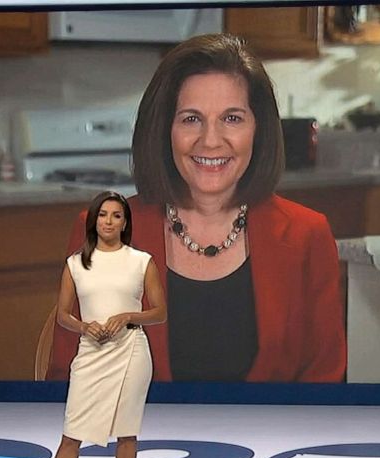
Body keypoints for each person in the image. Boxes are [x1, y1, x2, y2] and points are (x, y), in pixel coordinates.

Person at [47, 33, 345, 383]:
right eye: (191, 119)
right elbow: (69, 380)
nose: (211, 140)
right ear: (164, 130)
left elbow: (325, 382)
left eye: (232, 118)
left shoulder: (306, 234)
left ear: (259, 130)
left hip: (275, 437)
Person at [32, 191, 166, 458]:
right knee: (71, 434)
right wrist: (83, 326)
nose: (109, 221)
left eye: (117, 215)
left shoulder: (141, 261)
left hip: (130, 351)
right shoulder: (75, 264)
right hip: (90, 352)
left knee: (126, 433)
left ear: (125, 222)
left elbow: (160, 312)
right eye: (103, 215)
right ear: (94, 220)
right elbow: (63, 315)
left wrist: (127, 316)